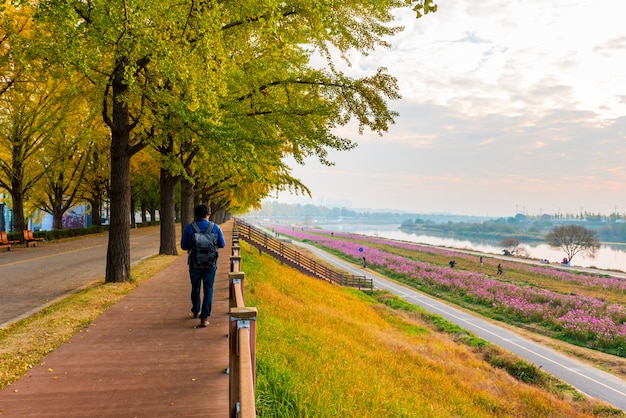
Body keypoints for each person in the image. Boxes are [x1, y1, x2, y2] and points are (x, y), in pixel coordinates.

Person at [181, 204, 226, 328]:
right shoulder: (215, 227)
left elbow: (184, 246)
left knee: (195, 287)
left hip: (194, 263)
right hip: (211, 264)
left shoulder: (189, 228)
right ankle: (204, 317)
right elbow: (222, 244)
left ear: (195, 215)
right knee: (208, 289)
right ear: (208, 214)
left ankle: (196, 310)